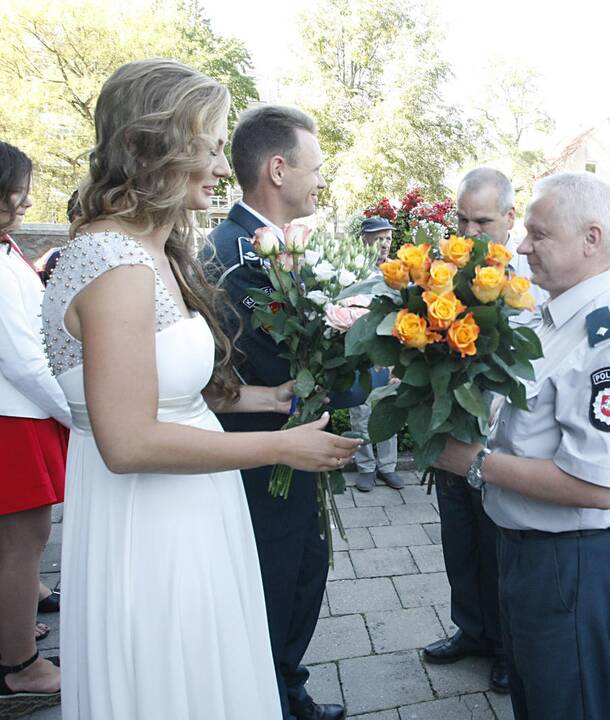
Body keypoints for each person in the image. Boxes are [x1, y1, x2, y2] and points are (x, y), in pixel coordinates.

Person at [41, 60, 359, 720]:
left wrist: (266, 402)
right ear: (157, 144)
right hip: (151, 525)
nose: (220, 167)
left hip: (192, 509)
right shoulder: (114, 264)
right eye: (211, 147)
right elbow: (126, 441)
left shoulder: (148, 250)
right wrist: (279, 448)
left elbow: (168, 391)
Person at [433, 171, 610, 719]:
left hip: (568, 559)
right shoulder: (552, 315)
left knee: (565, 703)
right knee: (537, 699)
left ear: (592, 239)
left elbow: (595, 485)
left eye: (539, 234)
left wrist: (475, 462)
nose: (521, 245)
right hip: (527, 545)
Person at [206, 104, 359, 720]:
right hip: (259, 454)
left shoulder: (276, 247)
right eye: (314, 167)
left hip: (290, 450)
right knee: (275, 583)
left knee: (303, 573)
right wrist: (377, 365)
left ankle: (284, 686)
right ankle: (271, 697)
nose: (321, 180)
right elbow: (284, 368)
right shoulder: (237, 255)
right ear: (277, 169)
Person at [421, 168, 514, 694]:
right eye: (462, 219)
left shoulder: (529, 282)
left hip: (501, 446)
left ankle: (505, 643)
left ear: (508, 218)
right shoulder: (441, 276)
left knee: (496, 544)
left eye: (482, 220)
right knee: (458, 541)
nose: (470, 231)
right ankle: (471, 630)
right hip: (454, 438)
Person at [0, 142, 71, 715]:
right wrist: (77, 410)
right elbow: (22, 357)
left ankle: (14, 621)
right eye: (16, 193)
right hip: (16, 416)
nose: (23, 202)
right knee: (25, 543)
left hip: (20, 411)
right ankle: (19, 666)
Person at [348, 217, 405, 492]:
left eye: (388, 238)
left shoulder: (397, 271)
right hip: (361, 354)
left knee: (389, 408)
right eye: (379, 238)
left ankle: (388, 467)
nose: (385, 244)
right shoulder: (353, 270)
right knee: (361, 411)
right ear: (365, 240)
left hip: (390, 352)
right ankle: (366, 468)